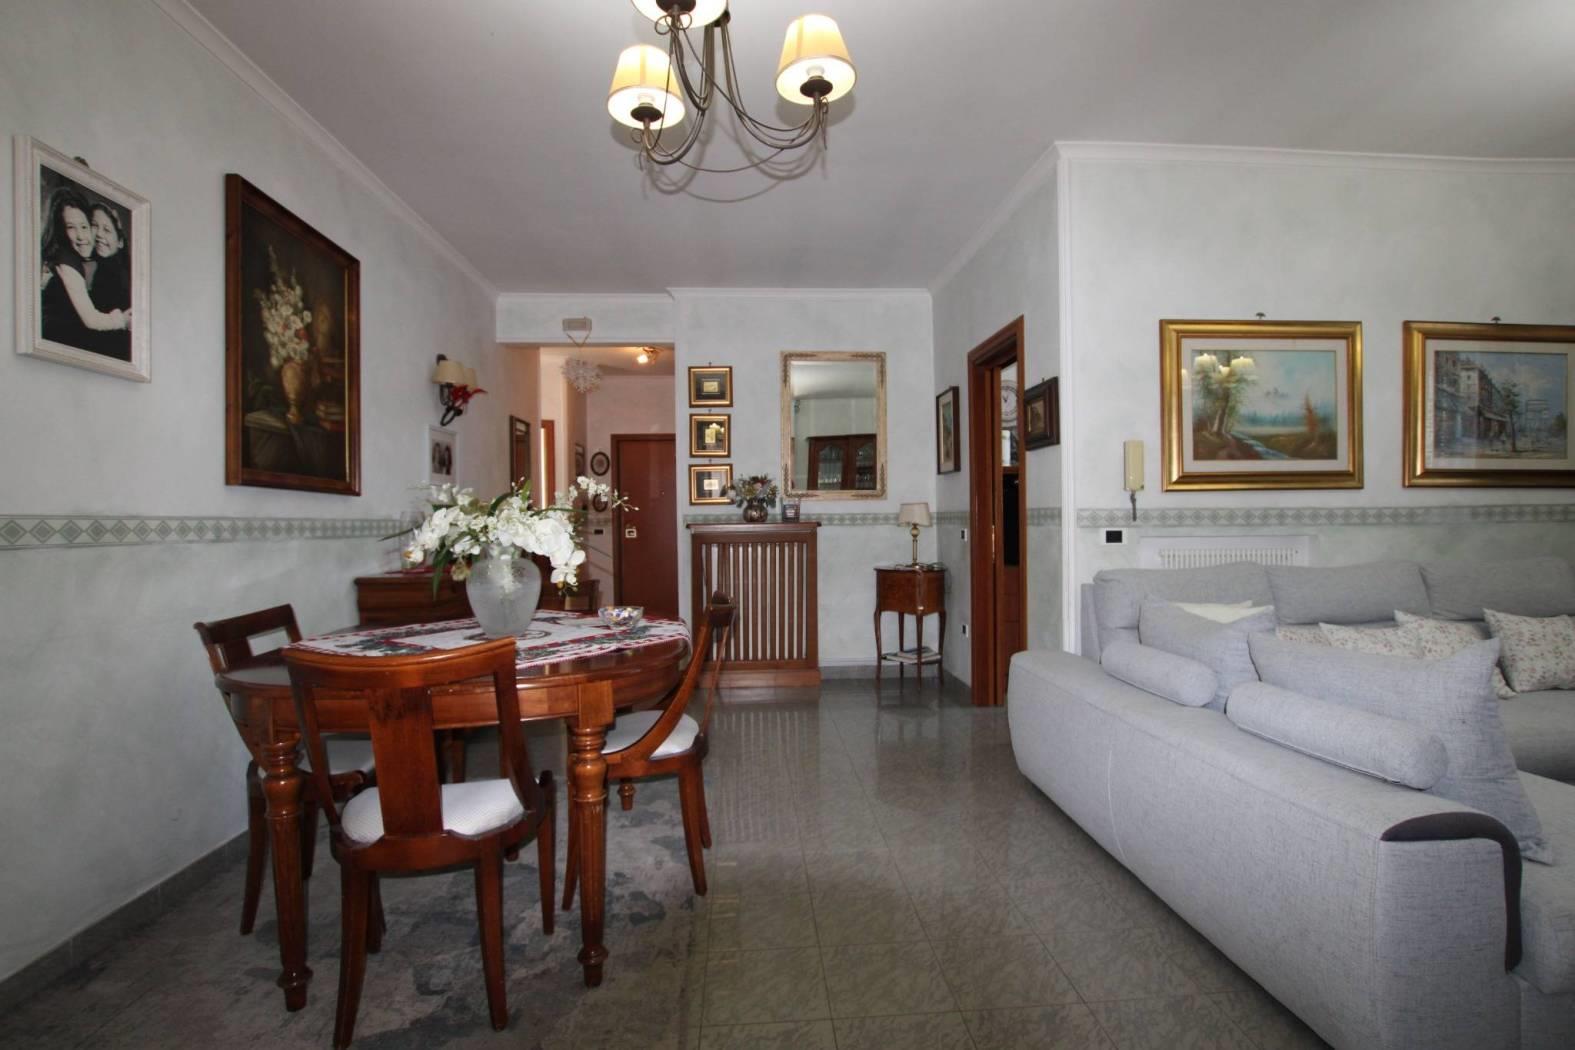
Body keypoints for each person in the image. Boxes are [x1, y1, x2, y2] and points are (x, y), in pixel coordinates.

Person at [38, 186, 129, 355]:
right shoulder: (67, 261)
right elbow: (91, 319)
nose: (81, 236)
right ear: (62, 231)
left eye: (85, 227)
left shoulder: (105, 268)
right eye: (71, 227)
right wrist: (122, 320)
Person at [88, 201, 131, 360]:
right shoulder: (94, 266)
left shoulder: (114, 273)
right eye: (94, 225)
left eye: (107, 230)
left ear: (120, 242)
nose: (99, 234)